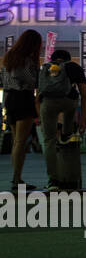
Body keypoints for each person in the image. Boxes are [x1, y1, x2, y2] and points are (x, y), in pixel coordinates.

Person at [38, 49, 86, 191]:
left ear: (54, 59)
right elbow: (84, 95)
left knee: (49, 140)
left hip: (48, 103)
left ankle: (53, 180)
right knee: (66, 137)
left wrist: (38, 115)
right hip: (69, 103)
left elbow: (38, 93)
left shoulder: (46, 68)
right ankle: (66, 133)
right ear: (68, 58)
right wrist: (83, 121)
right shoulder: (73, 66)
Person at [3, 30, 42, 190]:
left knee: (16, 141)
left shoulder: (9, 58)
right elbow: (32, 81)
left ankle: (16, 178)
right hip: (23, 98)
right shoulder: (27, 61)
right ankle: (16, 179)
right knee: (21, 141)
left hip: (10, 98)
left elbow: (5, 81)